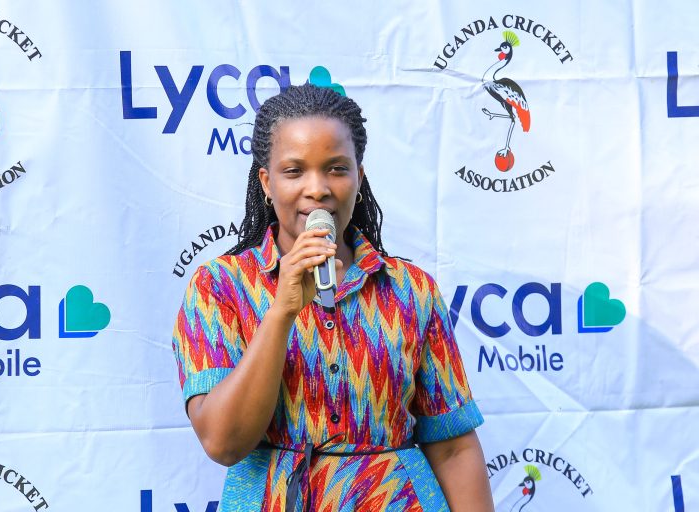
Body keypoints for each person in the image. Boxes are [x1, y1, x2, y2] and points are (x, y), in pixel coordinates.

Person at [172, 83, 494, 512]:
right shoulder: (220, 287)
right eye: (294, 171)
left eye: (337, 168)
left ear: (359, 178)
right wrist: (283, 311)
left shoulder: (411, 289)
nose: (318, 188)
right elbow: (223, 441)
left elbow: (453, 448)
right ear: (266, 182)